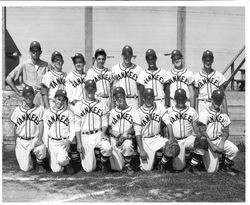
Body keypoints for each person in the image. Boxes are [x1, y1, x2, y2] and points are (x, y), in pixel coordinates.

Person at [197, 89, 239, 175]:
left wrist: (222, 142)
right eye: (216, 99)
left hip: (219, 140)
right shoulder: (205, 112)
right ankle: (201, 160)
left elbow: (226, 131)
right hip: (207, 142)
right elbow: (202, 131)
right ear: (211, 99)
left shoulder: (224, 114)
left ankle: (225, 166)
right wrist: (212, 145)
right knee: (212, 170)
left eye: (220, 99)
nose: (218, 101)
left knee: (234, 150)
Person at [74, 80, 112, 173]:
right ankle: (97, 158)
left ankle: (103, 162)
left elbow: (104, 121)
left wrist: (103, 133)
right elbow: (77, 126)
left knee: (107, 148)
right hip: (85, 136)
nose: (90, 91)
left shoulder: (101, 103)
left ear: (95, 90)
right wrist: (79, 142)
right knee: (89, 169)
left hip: (98, 134)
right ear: (85, 90)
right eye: (88, 89)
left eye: (92, 88)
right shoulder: (79, 105)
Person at [133, 88, 176, 172]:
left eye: (151, 97)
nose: (149, 99)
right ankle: (145, 162)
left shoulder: (159, 107)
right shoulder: (138, 112)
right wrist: (141, 150)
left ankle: (162, 163)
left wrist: (171, 137)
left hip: (157, 138)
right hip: (144, 140)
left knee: (172, 146)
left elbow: (168, 122)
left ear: (153, 98)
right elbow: (137, 133)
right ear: (143, 98)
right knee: (147, 169)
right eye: (146, 97)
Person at [167, 89, 207, 174]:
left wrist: (200, 136)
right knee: (178, 168)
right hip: (176, 141)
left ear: (186, 99)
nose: (180, 101)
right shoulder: (169, 111)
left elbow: (196, 129)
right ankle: (169, 162)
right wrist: (167, 139)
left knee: (202, 140)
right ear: (174, 99)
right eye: (178, 99)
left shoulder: (192, 111)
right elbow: (163, 127)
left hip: (188, 139)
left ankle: (193, 165)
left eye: (182, 99)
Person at [10, 85, 47, 172]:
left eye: (30, 95)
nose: (28, 97)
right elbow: (15, 127)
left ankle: (40, 162)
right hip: (22, 141)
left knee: (41, 148)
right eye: (26, 95)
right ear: (23, 96)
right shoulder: (17, 110)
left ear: (33, 95)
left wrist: (40, 138)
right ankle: (31, 158)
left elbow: (41, 124)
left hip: (34, 139)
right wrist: (15, 143)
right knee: (26, 168)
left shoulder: (39, 109)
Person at [6, 41, 51, 106]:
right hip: (29, 97)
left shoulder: (47, 65)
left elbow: (54, 78)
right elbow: (8, 79)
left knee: (43, 115)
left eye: (37, 51)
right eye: (33, 51)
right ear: (29, 52)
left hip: (43, 97)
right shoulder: (24, 65)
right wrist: (18, 93)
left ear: (40, 52)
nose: (35, 53)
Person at [43, 89, 75, 174]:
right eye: (59, 99)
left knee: (62, 160)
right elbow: (46, 130)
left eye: (63, 100)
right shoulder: (47, 112)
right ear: (54, 99)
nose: (60, 102)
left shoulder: (68, 112)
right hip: (52, 142)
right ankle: (57, 161)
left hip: (63, 142)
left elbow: (73, 129)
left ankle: (67, 163)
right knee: (56, 170)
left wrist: (69, 140)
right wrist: (46, 146)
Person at [108, 87, 137, 175]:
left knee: (127, 145)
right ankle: (120, 163)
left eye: (121, 96)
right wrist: (113, 132)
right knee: (118, 168)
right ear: (115, 99)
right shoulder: (112, 112)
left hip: (126, 138)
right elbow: (108, 129)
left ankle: (128, 165)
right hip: (115, 139)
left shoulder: (133, 111)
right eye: (117, 97)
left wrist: (127, 133)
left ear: (125, 96)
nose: (119, 98)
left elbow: (136, 127)